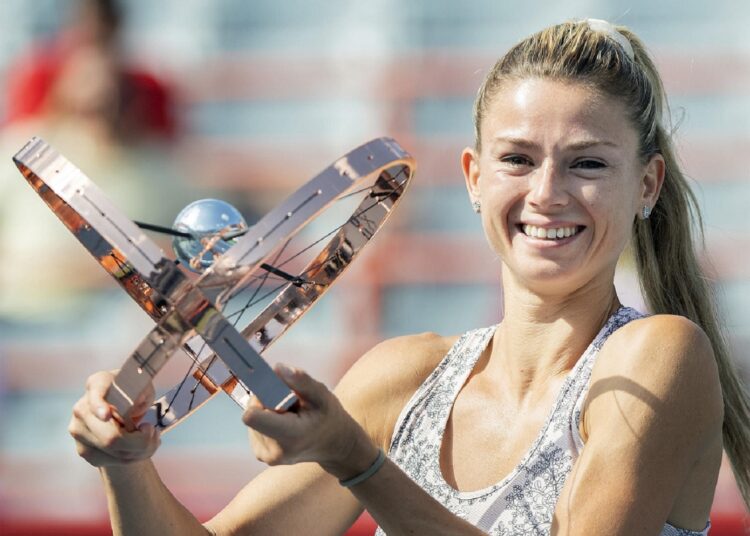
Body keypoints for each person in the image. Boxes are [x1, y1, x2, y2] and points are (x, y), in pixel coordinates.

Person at [68, 19, 750, 535]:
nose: (547, 193)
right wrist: (125, 464)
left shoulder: (662, 356)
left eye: (588, 164)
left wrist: (357, 462)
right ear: (474, 179)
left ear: (647, 184)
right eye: (518, 159)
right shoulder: (403, 376)